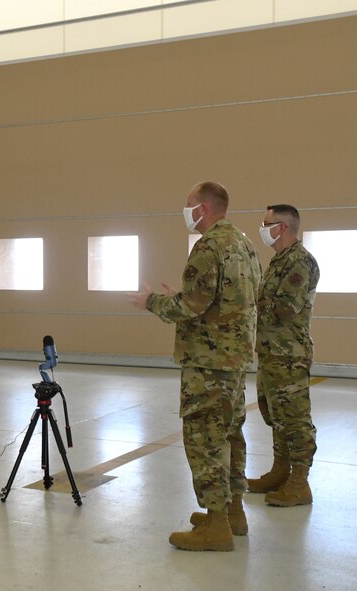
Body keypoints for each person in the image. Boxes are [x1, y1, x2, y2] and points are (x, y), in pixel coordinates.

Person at [128, 181, 261, 552]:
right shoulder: (245, 244)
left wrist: (151, 301)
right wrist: (184, 298)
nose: (184, 211)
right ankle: (233, 511)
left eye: (188, 205)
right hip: (234, 362)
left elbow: (189, 308)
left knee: (204, 440)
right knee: (231, 434)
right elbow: (227, 301)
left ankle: (216, 526)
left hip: (208, 364)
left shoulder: (209, 248)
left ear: (203, 208)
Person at [247, 204, 319, 507]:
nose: (263, 228)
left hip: (290, 354)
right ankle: (280, 471)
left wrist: (247, 300)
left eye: (267, 223)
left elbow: (286, 307)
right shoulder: (279, 261)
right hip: (271, 352)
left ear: (284, 228)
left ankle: (300, 483)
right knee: (275, 415)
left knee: (295, 418)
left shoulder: (301, 262)